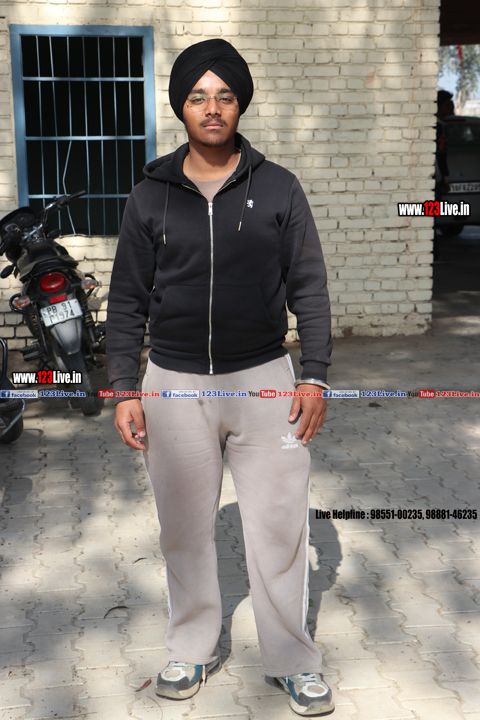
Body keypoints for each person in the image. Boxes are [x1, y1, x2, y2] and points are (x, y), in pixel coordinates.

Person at [106, 39, 334, 717]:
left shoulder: (278, 187)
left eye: (225, 95)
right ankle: (192, 645)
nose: (212, 108)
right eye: (199, 96)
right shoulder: (149, 196)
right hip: (174, 385)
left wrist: (315, 377)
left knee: (280, 529)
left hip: (265, 382)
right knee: (182, 530)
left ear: (240, 105)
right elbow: (126, 299)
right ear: (181, 107)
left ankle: (293, 660)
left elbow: (310, 286)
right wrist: (124, 388)